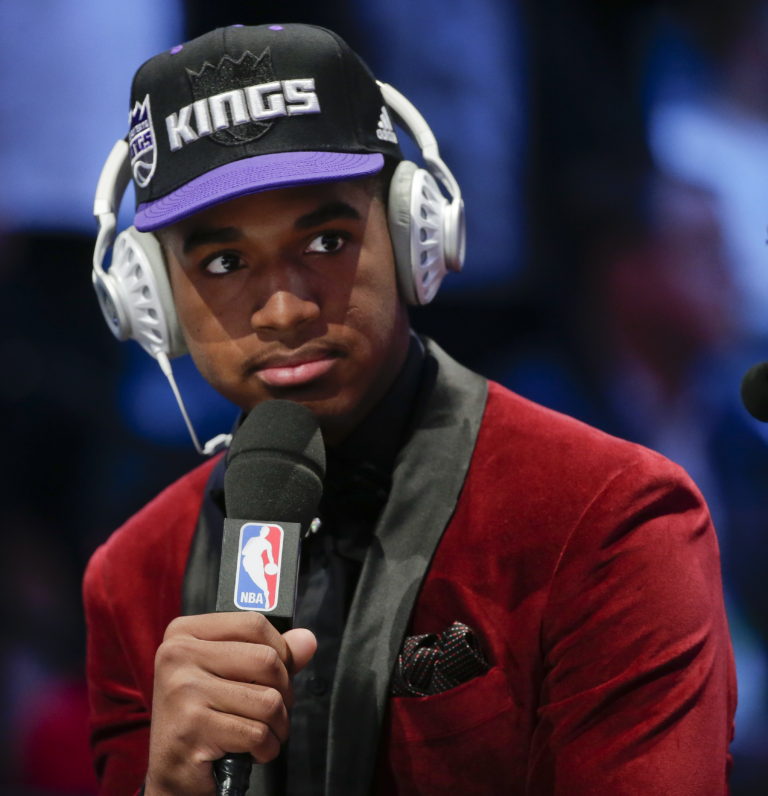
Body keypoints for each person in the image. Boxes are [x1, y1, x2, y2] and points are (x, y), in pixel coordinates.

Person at [83, 23, 736, 796]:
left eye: (326, 240)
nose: (286, 309)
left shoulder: (606, 519)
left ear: (414, 233)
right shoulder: (132, 579)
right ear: (150, 298)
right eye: (224, 263)